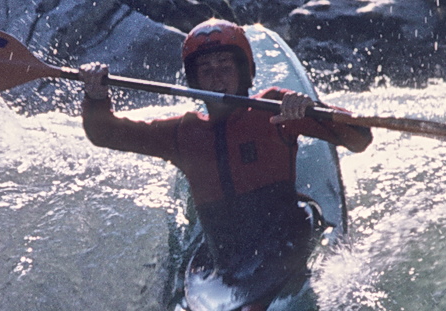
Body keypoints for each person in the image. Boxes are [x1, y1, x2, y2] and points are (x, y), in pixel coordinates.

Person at [81, 19, 372, 291]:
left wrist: (313, 111)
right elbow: (105, 133)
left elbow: (359, 138)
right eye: (206, 70)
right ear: (195, 80)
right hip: (228, 265)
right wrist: (96, 97)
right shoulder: (183, 133)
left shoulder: (274, 107)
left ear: (244, 72)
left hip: (287, 246)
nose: (216, 77)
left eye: (225, 66)